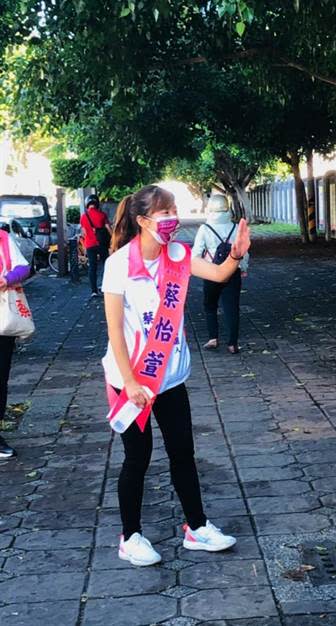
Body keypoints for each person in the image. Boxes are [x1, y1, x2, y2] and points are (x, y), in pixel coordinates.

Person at [102, 184, 250, 566]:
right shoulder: (119, 264)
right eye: (164, 212)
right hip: (131, 378)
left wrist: (236, 253)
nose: (172, 219)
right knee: (138, 456)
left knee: (183, 451)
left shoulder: (179, 255)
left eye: (173, 210)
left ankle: (196, 528)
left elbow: (218, 275)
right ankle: (130, 536)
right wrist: (131, 382)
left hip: (170, 378)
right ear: (142, 220)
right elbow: (115, 331)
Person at [192, 195, 249, 354]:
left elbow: (195, 254)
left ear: (209, 208)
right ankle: (232, 344)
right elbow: (244, 251)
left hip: (211, 272)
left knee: (210, 305)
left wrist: (199, 269)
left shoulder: (204, 228)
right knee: (232, 307)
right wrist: (243, 268)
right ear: (227, 208)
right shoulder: (236, 227)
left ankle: (213, 338)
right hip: (233, 272)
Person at [0, 224, 31, 459]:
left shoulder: (3, 239)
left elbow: (23, 268)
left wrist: (6, 279)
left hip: (3, 322)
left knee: (1, 378)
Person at [80, 193, 112, 297]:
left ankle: (94, 291)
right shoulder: (102, 215)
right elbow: (108, 228)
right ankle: (105, 286)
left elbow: (84, 233)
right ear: (97, 203)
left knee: (92, 267)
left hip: (90, 245)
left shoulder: (83, 217)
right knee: (106, 266)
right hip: (102, 244)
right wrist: (113, 239)